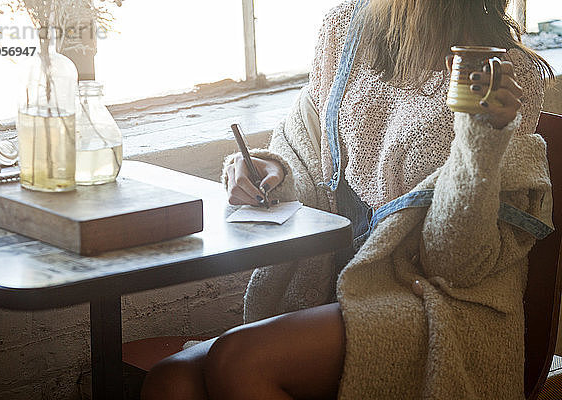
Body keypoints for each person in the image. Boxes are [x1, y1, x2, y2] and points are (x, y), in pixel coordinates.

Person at [141, 0, 555, 399]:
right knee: (172, 380)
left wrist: (481, 137)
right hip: (336, 282)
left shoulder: (506, 72)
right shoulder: (344, 30)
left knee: (240, 361)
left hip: (437, 302)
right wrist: (273, 171)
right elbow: (306, 140)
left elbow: (459, 263)